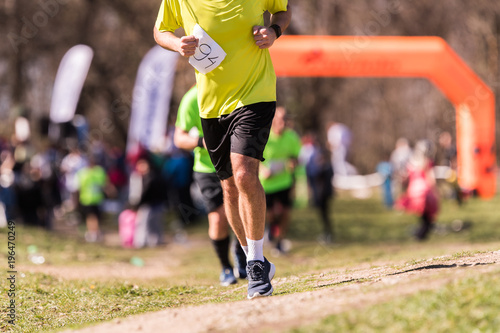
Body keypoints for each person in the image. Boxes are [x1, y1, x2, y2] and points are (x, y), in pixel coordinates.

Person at [154, 0, 291, 298]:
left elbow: (283, 8)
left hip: (256, 94)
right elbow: (160, 30)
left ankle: (255, 264)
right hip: (211, 106)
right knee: (228, 186)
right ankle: (251, 255)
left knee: (244, 174)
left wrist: (274, 30)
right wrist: (178, 44)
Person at [174, 85, 247, 286]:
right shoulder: (191, 98)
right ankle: (225, 267)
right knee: (218, 219)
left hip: (236, 162)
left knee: (242, 211)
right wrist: (201, 141)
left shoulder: (235, 87)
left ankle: (243, 252)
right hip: (207, 168)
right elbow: (179, 138)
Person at [259, 106, 301, 255]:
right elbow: (254, 160)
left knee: (285, 213)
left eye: (284, 120)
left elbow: (296, 158)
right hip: (267, 183)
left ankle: (280, 241)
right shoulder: (264, 137)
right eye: (278, 120)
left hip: (285, 181)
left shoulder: (292, 137)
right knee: (271, 214)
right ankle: (271, 229)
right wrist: (262, 170)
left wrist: (292, 163)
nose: (282, 123)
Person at [395, 140, 439, 241]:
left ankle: (421, 234)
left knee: (424, 215)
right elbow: (430, 178)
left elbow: (406, 177)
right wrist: (436, 191)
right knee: (429, 216)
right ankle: (421, 234)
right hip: (425, 191)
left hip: (414, 190)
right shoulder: (427, 162)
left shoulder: (412, 162)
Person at [76, 154, 114, 242]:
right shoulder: (84, 173)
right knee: (91, 217)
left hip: (94, 199)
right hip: (87, 199)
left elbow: (105, 184)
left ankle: (94, 233)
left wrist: (110, 191)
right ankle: (94, 233)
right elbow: (79, 187)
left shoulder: (97, 172)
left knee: (94, 217)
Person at [305, 136, 335, 243]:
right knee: (323, 215)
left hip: (323, 195)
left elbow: (317, 177)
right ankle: (327, 233)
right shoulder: (326, 167)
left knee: (325, 215)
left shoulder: (324, 168)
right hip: (322, 194)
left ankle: (328, 234)